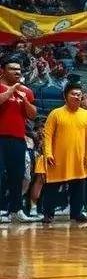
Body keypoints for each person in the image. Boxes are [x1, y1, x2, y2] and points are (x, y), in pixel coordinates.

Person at [41, 84, 87, 224]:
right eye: (73, 94)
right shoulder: (55, 113)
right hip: (57, 158)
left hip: (79, 158)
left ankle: (76, 213)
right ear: (65, 96)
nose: (77, 96)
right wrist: (48, 154)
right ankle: (48, 213)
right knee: (52, 186)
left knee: (78, 187)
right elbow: (47, 136)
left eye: (79, 94)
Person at [0, 56, 37, 223]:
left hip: (18, 138)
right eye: (12, 69)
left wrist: (25, 100)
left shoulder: (26, 91)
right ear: (2, 70)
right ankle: (1, 209)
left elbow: (32, 115)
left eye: (19, 70)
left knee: (17, 175)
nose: (17, 72)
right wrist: (12, 89)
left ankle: (16, 210)